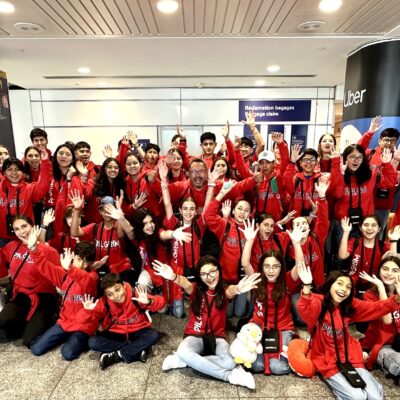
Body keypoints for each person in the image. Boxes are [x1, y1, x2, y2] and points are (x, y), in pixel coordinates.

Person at [153, 255, 261, 389]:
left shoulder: (223, 291)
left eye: (212, 271)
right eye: (203, 274)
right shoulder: (195, 290)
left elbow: (231, 290)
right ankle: (229, 376)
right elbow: (186, 283)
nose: (209, 277)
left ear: (218, 271)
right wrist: (173, 276)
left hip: (217, 337)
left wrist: (238, 289)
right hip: (195, 335)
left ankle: (185, 361)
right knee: (184, 350)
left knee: (229, 362)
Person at [297, 264, 400, 400]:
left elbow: (376, 308)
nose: (343, 289)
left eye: (348, 287)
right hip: (326, 360)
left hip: (350, 357)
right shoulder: (318, 302)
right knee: (357, 397)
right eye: (339, 284)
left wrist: (397, 298)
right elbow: (305, 310)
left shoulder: (350, 305)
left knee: (375, 397)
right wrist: (306, 286)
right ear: (330, 285)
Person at [28, 231, 99, 360]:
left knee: (68, 354)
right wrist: (33, 249)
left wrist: (70, 269)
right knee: (36, 349)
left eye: (86, 262)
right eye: (78, 259)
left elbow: (85, 280)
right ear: (73, 257)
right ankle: (68, 337)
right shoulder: (64, 273)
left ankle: (83, 340)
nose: (82, 265)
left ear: (90, 263)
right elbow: (44, 266)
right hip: (64, 322)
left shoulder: (92, 277)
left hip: (84, 325)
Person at [79, 273, 165, 369]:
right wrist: (88, 311)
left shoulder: (134, 294)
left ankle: (118, 354)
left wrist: (149, 302)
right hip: (116, 333)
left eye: (117, 289)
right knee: (93, 342)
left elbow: (162, 303)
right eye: (110, 294)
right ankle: (136, 350)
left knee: (153, 335)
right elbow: (84, 321)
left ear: (123, 285)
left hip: (138, 330)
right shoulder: (104, 302)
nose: (116, 296)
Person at [0, 215, 58, 346]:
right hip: (22, 295)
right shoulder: (12, 247)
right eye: (17, 229)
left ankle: (49, 318)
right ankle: (27, 320)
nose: (21, 231)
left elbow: (59, 277)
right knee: (2, 321)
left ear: (33, 226)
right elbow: (2, 268)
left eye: (24, 226)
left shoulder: (48, 250)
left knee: (28, 340)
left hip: (44, 296)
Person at [159, 158, 205, 318]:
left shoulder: (199, 224)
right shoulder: (174, 223)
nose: (188, 211)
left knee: (198, 307)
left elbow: (206, 209)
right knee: (178, 314)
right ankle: (176, 298)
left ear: (195, 212)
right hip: (177, 269)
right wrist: (164, 180)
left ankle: (189, 296)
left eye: (192, 209)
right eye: (185, 208)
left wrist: (211, 185)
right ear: (180, 209)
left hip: (194, 269)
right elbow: (166, 204)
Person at [359, 256, 400, 385]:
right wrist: (381, 288)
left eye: (395, 270)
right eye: (385, 269)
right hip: (384, 345)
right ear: (379, 270)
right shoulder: (369, 295)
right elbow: (387, 319)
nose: (389, 273)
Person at [0, 148, 52, 245]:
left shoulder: (29, 188)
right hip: (2, 238)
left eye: (17, 169)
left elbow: (44, 185)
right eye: (9, 169)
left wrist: (45, 162)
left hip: (26, 236)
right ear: (4, 173)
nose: (14, 173)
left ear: (23, 172)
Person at [338, 215, 399, 295]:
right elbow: (342, 256)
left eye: (373, 225)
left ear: (379, 229)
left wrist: (394, 241)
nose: (369, 228)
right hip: (352, 284)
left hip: (375, 285)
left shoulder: (382, 245)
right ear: (360, 228)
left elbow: (393, 261)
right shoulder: (354, 242)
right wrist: (346, 232)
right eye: (366, 225)